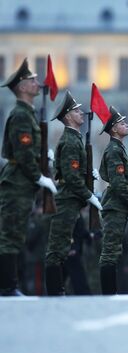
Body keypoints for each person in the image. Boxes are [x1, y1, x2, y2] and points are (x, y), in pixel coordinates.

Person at [0, 59, 57, 296]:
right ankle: (7, 287)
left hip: (22, 182)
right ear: (22, 87)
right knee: (9, 235)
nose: (37, 83)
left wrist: (44, 156)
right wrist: (39, 177)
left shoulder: (28, 114)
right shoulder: (21, 115)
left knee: (15, 233)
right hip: (17, 182)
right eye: (32, 80)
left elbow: (30, 150)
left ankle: (10, 285)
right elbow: (23, 153)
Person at [44, 91, 103, 295]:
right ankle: (53, 292)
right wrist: (89, 196)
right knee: (57, 249)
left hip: (72, 201)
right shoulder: (70, 141)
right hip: (67, 200)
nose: (81, 113)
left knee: (60, 248)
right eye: (77, 111)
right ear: (68, 116)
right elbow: (71, 176)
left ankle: (57, 290)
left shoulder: (75, 139)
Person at [98, 106, 128, 295]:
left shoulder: (119, 149)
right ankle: (108, 293)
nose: (127, 125)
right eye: (122, 123)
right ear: (115, 129)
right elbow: (118, 183)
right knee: (110, 251)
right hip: (115, 206)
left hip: (118, 206)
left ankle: (111, 292)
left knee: (114, 250)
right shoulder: (114, 150)